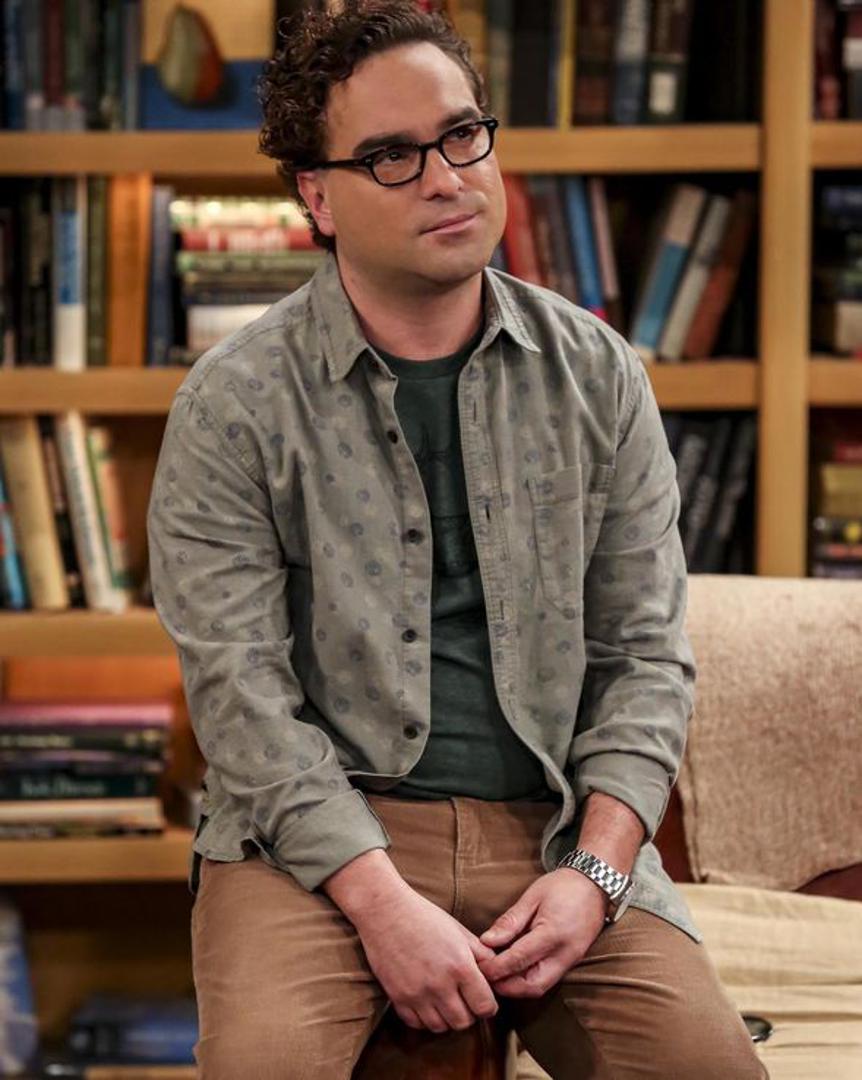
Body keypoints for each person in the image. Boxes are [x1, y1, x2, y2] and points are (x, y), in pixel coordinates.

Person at [147, 2, 767, 1077]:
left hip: (554, 827)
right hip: (312, 844)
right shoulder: (232, 405)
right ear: (317, 196)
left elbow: (645, 657)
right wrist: (378, 903)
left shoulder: (599, 375)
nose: (445, 179)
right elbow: (240, 699)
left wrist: (597, 874)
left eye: (462, 135)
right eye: (392, 156)